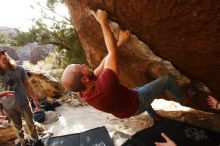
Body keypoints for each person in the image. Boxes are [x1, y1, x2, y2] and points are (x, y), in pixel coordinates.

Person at [61, 10, 190, 122]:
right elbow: (111, 53)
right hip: (137, 104)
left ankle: (154, 116)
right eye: (81, 67)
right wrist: (103, 22)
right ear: (84, 79)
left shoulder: (82, 92)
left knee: (138, 89)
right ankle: (183, 99)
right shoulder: (104, 86)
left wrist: (120, 43)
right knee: (166, 80)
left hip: (125, 111)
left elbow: (104, 63)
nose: (84, 65)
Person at [0, 48, 40, 146]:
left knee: (31, 124)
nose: (3, 56)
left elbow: (27, 85)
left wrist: (34, 99)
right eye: (0, 55)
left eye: (3, 54)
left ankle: (36, 140)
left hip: (24, 103)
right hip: (8, 107)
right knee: (18, 128)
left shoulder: (19, 69)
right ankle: (24, 143)